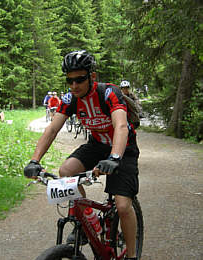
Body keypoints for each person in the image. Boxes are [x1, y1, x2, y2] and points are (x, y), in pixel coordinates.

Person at [24, 50, 140, 260]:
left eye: (80, 79)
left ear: (92, 77)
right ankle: (89, 222)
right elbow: (51, 130)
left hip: (123, 147)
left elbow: (121, 126)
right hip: (97, 145)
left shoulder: (109, 93)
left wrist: (114, 158)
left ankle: (131, 255)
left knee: (123, 206)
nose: (74, 85)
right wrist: (35, 161)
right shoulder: (70, 99)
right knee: (66, 171)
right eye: (69, 80)